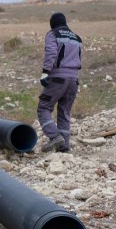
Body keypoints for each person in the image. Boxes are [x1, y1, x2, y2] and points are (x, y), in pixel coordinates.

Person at [38, 12, 83, 153]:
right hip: (74, 80)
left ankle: (54, 136)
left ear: (52, 23)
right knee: (64, 111)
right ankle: (64, 147)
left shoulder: (53, 34)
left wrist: (45, 72)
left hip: (58, 78)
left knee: (44, 107)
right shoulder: (77, 37)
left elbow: (51, 53)